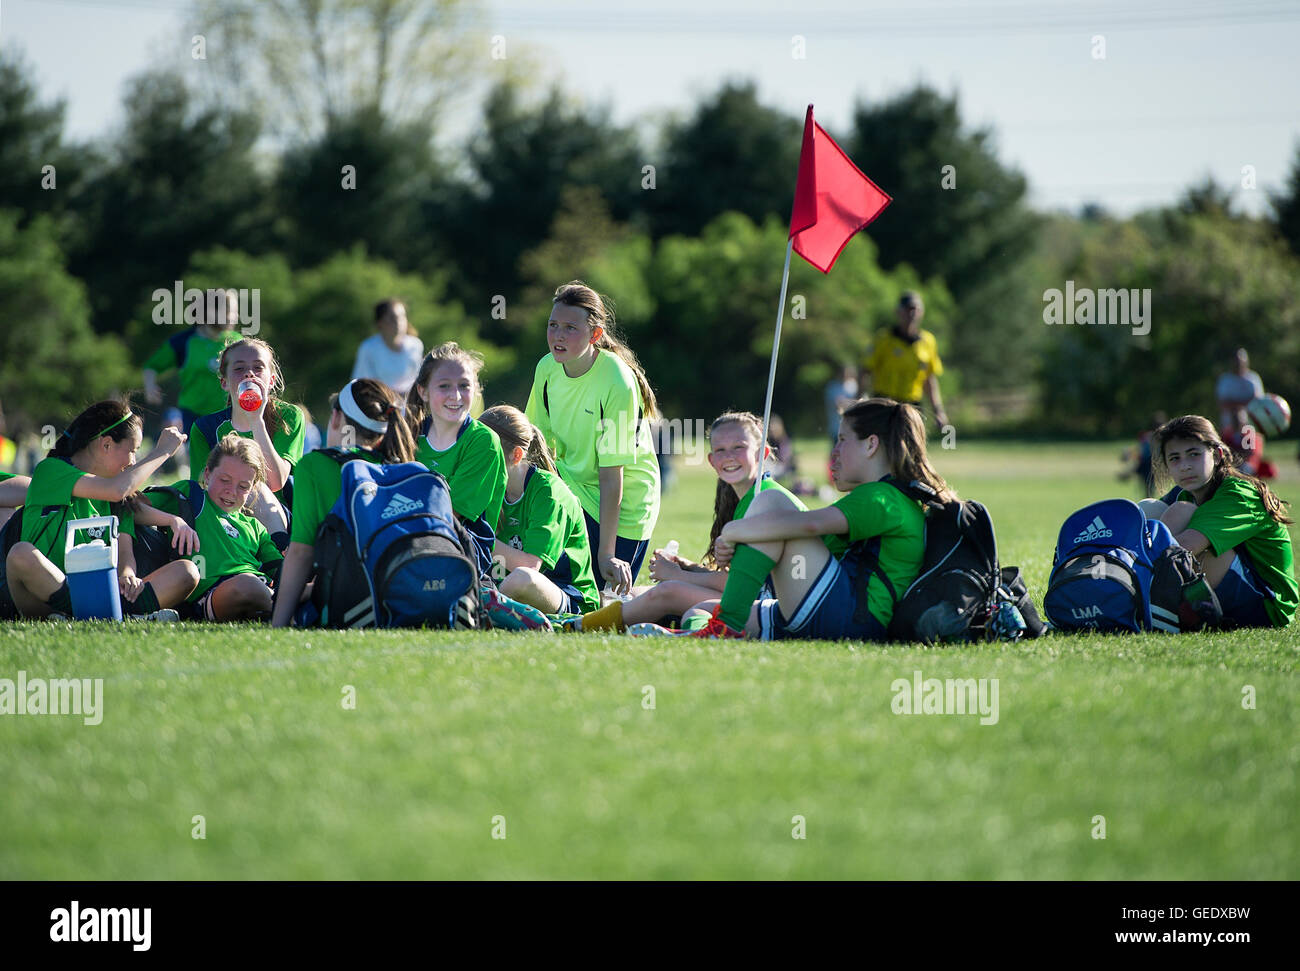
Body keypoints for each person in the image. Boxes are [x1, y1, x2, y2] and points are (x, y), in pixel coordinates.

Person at [687, 398, 942, 640]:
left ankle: (726, 627)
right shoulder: (884, 495)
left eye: (842, 440)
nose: (835, 451)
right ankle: (703, 631)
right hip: (838, 610)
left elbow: (810, 525)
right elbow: (820, 543)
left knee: (770, 503)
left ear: (871, 445)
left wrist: (734, 531)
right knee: (700, 610)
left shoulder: (882, 497)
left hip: (852, 618)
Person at [574, 410, 807, 633]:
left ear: (761, 454)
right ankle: (587, 618)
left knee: (668, 592)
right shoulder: (749, 497)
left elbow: (736, 584)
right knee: (635, 594)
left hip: (779, 605)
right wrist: (689, 567)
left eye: (739, 447)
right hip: (761, 597)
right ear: (711, 460)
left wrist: (677, 575)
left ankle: (575, 625)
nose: (729, 456)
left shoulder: (764, 499)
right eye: (721, 450)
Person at [525, 281, 661, 594]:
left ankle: (663, 595)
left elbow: (612, 476)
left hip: (625, 503)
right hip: (573, 488)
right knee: (557, 585)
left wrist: (606, 554)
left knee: (604, 599)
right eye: (553, 325)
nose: (558, 336)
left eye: (570, 328)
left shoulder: (617, 380)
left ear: (595, 334)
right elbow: (535, 446)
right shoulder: (546, 368)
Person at [4, 400, 198, 620]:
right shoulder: (51, 470)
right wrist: (162, 452)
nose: (133, 461)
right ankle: (117, 613)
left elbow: (124, 552)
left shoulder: (116, 494)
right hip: (44, 597)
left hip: (99, 593)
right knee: (20, 554)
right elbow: (116, 490)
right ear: (106, 445)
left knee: (187, 571)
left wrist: (127, 576)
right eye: (132, 451)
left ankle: (104, 611)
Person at [271, 379, 415, 627]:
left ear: (336, 418)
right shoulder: (403, 468)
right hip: (405, 595)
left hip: (351, 600)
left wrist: (278, 623)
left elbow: (301, 552)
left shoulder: (315, 465)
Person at [1140, 415, 1295, 629]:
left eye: (1194, 454)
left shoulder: (1238, 494)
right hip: (1230, 586)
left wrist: (1130, 565)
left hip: (1266, 604)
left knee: (1180, 518)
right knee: (1149, 508)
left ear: (1217, 455)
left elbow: (1182, 548)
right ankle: (1150, 604)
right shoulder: (1187, 493)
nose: (1184, 466)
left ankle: (1150, 606)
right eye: (1175, 458)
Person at [139, 435, 283, 621]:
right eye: (224, 480)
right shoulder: (191, 495)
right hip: (211, 596)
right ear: (207, 474)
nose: (231, 491)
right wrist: (173, 520)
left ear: (252, 488)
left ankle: (281, 606)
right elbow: (130, 507)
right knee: (247, 585)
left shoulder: (255, 527)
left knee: (304, 586)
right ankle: (287, 609)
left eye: (243, 486)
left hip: (259, 586)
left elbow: (278, 570)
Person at [477, 405, 599, 616]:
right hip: (504, 589)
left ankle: (482, 610)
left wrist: (477, 538)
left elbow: (530, 566)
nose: (475, 460)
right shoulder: (488, 488)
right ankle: (486, 605)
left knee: (522, 578)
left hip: (567, 597)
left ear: (516, 455)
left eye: (484, 452)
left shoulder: (549, 492)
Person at [405, 342, 507, 578]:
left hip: (463, 549)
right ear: (423, 391)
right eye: (444, 386)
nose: (456, 395)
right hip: (407, 537)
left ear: (476, 390)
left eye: (464, 385)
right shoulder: (408, 435)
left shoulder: (482, 441)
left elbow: (447, 515)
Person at [188, 338, 304, 541]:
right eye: (239, 368)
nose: (249, 374)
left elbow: (275, 482)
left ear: (271, 380)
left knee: (253, 486)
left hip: (275, 519)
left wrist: (256, 420)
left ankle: (279, 554)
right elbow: (200, 490)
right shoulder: (205, 428)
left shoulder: (289, 416)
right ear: (224, 382)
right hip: (223, 516)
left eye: (258, 368)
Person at [142, 288, 241, 432]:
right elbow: (151, 366)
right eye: (230, 312)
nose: (235, 317)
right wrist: (150, 387)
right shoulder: (183, 342)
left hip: (229, 415)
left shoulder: (237, 341)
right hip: (193, 417)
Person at [862, 291, 949, 431]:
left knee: (911, 442)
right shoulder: (884, 338)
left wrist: (938, 410)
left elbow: (929, 379)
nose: (912, 314)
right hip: (884, 401)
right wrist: (860, 401)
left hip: (912, 404)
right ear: (898, 312)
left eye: (916, 309)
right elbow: (866, 370)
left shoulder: (928, 341)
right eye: (908, 309)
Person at [351, 298, 425, 400]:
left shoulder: (416, 345)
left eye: (402, 317)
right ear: (380, 322)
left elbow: (419, 379)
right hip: (378, 403)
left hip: (410, 402)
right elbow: (360, 383)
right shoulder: (368, 348)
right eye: (392, 318)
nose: (398, 322)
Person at [1216, 347, 1264, 437]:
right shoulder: (1225, 380)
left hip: (1251, 427)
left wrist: (1235, 403)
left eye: (1241, 361)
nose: (1239, 364)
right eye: (1236, 361)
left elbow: (1259, 402)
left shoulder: (1253, 378)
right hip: (1229, 428)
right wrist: (1245, 403)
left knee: (1250, 446)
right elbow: (1223, 404)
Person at [824, 364, 859, 449]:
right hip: (836, 427)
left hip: (851, 428)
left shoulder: (853, 386)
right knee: (837, 451)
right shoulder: (833, 387)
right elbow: (838, 405)